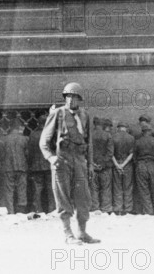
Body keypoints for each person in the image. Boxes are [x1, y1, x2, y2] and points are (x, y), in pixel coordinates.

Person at [40, 82, 100, 245]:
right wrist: (51, 157)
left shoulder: (85, 115)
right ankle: (68, 234)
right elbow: (44, 140)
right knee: (63, 197)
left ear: (80, 99)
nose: (70, 100)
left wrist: (89, 165)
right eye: (67, 96)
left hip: (80, 159)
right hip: (63, 159)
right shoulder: (58, 114)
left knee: (84, 198)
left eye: (74, 97)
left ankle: (82, 232)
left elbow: (89, 142)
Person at [28, 115, 55, 213]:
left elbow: (29, 152)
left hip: (36, 166)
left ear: (38, 123)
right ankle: (52, 209)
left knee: (37, 190)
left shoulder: (32, 135)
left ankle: (37, 210)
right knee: (50, 189)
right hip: (48, 165)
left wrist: (30, 164)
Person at [134, 123, 154, 215]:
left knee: (143, 189)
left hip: (141, 165)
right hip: (153, 165)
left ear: (142, 131)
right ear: (150, 131)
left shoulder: (137, 141)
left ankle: (148, 210)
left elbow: (134, 156)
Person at [1, 120, 29, 214]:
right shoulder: (25, 139)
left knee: (9, 191)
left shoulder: (4, 139)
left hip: (8, 168)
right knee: (22, 190)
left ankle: (10, 211)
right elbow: (27, 154)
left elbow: (1, 154)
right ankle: (21, 211)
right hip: (22, 167)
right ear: (19, 128)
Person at [91, 118, 114, 214]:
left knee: (93, 187)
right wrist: (103, 164)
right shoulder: (108, 135)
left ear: (94, 125)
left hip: (93, 166)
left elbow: (86, 151)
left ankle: (95, 207)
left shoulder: (89, 136)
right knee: (106, 187)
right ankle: (106, 208)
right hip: (105, 167)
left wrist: (93, 163)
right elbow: (110, 152)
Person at [112, 122, 135, 215]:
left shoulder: (113, 137)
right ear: (126, 128)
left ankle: (118, 209)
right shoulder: (131, 138)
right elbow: (132, 154)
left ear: (118, 128)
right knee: (128, 187)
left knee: (117, 187)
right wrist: (124, 164)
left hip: (116, 164)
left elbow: (111, 154)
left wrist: (118, 165)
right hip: (127, 165)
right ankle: (128, 209)